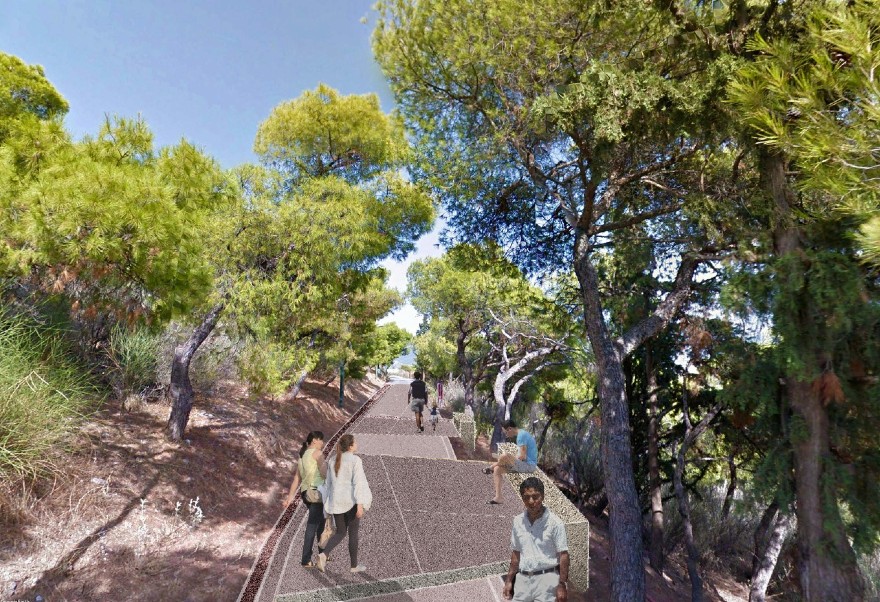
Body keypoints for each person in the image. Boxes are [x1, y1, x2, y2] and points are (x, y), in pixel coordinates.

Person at [503, 477, 570, 602]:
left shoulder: (555, 523)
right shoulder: (517, 521)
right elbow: (516, 554)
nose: (531, 501)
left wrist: (562, 584)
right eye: (526, 497)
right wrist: (509, 580)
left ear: (542, 496)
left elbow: (564, 555)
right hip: (522, 580)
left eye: (535, 496)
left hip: (547, 581)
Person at [316, 434, 372, 573]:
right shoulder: (355, 460)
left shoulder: (332, 460)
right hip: (351, 503)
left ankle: (324, 554)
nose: (357, 444)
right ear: (351, 446)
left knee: (340, 532)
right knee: (353, 534)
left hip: (336, 503)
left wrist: (328, 505)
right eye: (355, 442)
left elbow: (328, 484)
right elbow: (358, 483)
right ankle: (354, 566)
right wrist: (360, 504)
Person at [282, 431, 329, 567]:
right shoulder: (317, 453)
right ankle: (306, 559)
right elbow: (324, 473)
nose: (322, 443)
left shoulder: (302, 457)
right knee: (312, 525)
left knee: (321, 522)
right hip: (316, 492)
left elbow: (296, 479)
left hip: (306, 494)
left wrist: (289, 498)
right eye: (321, 440)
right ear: (314, 440)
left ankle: (323, 553)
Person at [483, 419, 538, 504]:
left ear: (509, 429)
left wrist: (509, 458)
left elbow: (522, 456)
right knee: (497, 469)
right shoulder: (521, 434)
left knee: (505, 456)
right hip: (523, 464)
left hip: (528, 466)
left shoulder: (521, 436)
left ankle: (491, 467)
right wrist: (509, 459)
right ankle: (498, 497)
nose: (506, 435)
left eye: (506, 432)